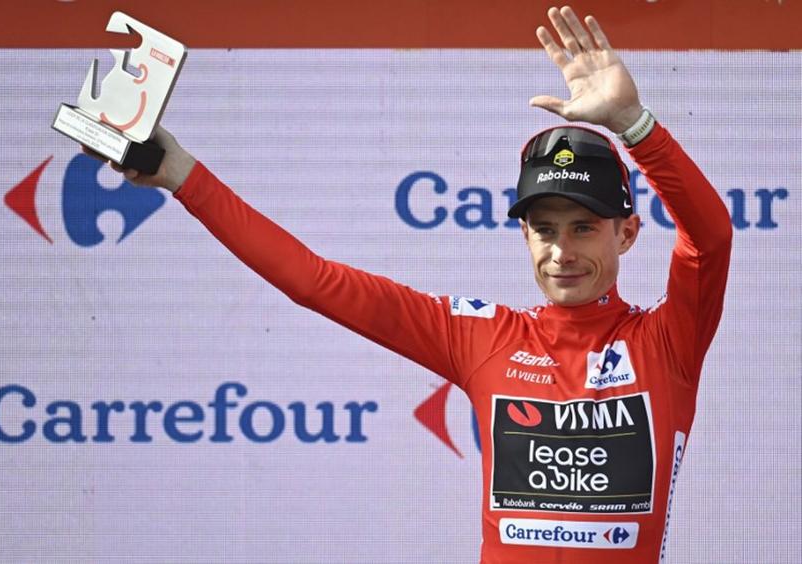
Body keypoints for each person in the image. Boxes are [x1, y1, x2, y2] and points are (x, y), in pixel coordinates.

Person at [87, 6, 732, 563]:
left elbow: (710, 236)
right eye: (543, 228)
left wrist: (634, 125)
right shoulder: (486, 337)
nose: (561, 250)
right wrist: (181, 174)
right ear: (525, 236)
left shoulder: (667, 341)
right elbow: (314, 282)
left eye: (584, 228)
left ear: (626, 234)